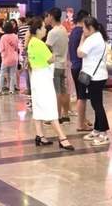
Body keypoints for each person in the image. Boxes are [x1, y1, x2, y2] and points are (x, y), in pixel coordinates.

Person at [27, 17, 75, 150]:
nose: (45, 30)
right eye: (43, 27)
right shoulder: (39, 44)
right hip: (44, 79)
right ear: (37, 30)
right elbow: (51, 59)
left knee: (38, 106)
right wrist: (52, 56)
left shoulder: (31, 42)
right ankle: (62, 138)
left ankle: (40, 135)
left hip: (36, 77)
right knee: (50, 108)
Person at [78, 16, 110, 146]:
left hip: (95, 76)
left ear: (90, 28)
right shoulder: (99, 37)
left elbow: (80, 53)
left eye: (84, 28)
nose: (83, 31)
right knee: (96, 104)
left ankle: (104, 133)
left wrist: (82, 40)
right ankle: (97, 130)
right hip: (98, 75)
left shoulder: (92, 39)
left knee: (97, 105)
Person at [68, 10, 92, 132]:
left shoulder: (73, 31)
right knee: (82, 97)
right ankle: (80, 124)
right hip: (81, 68)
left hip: (74, 66)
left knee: (80, 96)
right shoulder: (82, 33)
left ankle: (83, 120)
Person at [45, 7, 71, 122]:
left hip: (54, 65)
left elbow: (46, 48)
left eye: (48, 16)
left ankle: (57, 116)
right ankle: (65, 115)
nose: (47, 18)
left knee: (56, 91)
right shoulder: (63, 29)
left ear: (51, 16)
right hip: (63, 63)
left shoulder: (53, 32)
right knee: (63, 90)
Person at [0, 21, 19, 95]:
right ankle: (11, 90)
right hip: (14, 58)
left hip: (6, 58)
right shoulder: (15, 36)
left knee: (2, 74)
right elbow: (16, 47)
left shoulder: (3, 37)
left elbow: (1, 49)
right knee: (12, 74)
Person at [17, 17, 31, 95]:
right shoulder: (29, 28)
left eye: (19, 22)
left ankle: (28, 89)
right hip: (31, 49)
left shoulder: (21, 29)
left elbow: (19, 39)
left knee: (26, 69)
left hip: (25, 50)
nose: (18, 23)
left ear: (22, 22)